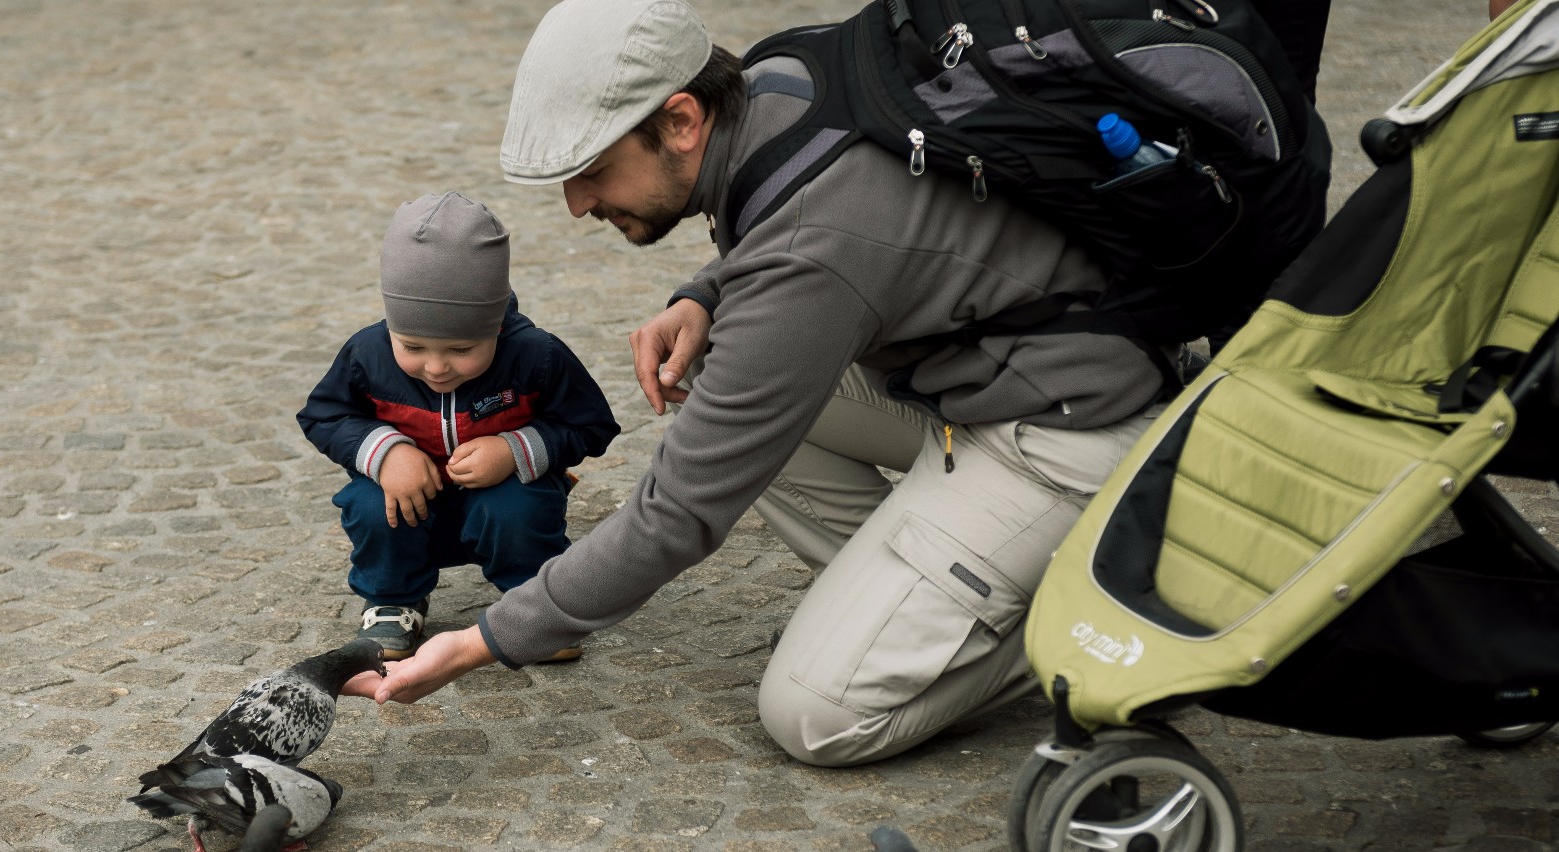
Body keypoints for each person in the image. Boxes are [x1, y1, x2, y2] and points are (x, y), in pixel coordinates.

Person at [356, 0, 1172, 767]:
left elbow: (679, 511)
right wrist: (706, 293)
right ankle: (920, 594)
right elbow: (824, 222)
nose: (576, 204)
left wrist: (486, 640)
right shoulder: (776, 75)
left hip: (1065, 431)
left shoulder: (806, 257)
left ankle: (1105, 630)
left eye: (593, 170)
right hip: (986, 380)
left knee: (815, 714)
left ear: (679, 120)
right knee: (723, 365)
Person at [299, 192, 619, 660]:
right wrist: (386, 452)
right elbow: (323, 414)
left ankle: (532, 604)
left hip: (501, 495)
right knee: (370, 503)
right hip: (409, 495)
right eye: (412, 346)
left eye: (461, 349)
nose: (436, 367)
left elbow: (591, 424)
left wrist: (514, 450)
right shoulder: (367, 353)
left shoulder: (536, 355)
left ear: (495, 325)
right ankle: (393, 598)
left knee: (518, 507)